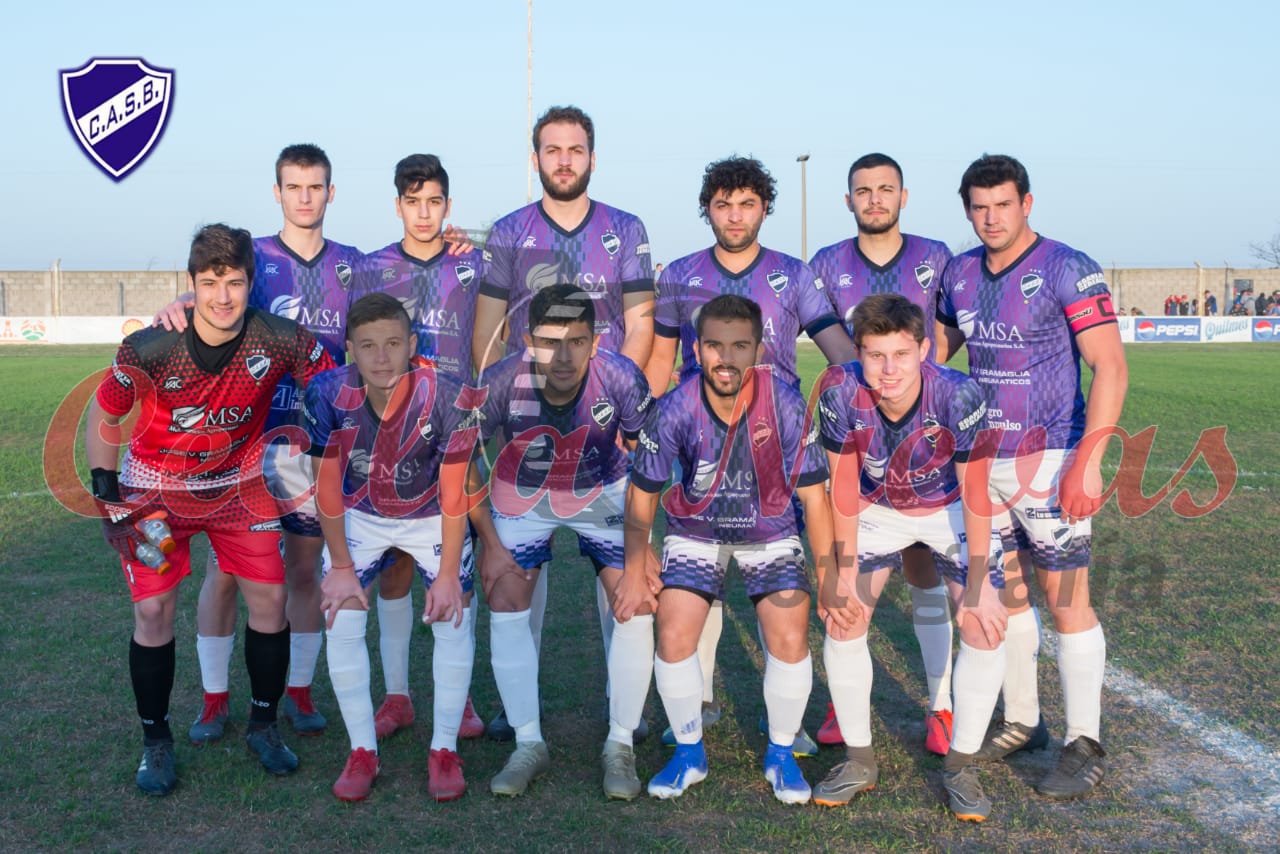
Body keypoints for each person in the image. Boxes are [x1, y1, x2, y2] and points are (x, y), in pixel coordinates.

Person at [85, 223, 334, 795]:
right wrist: (107, 495)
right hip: (154, 491)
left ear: (251, 283)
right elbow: (106, 411)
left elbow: (336, 382)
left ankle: (264, 727)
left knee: (270, 601)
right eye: (210, 282)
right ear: (191, 283)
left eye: (235, 282)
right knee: (153, 612)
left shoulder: (279, 339)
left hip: (238, 487)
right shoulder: (151, 345)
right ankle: (156, 742)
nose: (223, 296)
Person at [645, 156, 856, 750]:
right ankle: (699, 702)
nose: (735, 216)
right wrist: (643, 422)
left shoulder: (793, 273)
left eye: (747, 204)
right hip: (699, 442)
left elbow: (840, 353)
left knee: (777, 583)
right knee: (699, 575)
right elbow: (661, 359)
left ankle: (782, 716)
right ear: (707, 210)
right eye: (723, 205)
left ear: (765, 208)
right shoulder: (680, 274)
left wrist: (868, 400)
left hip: (773, 448)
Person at [935, 154, 1127, 800]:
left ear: (1027, 204)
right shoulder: (960, 273)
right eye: (980, 207)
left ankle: (1085, 743)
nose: (991, 218)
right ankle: (1023, 720)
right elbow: (936, 354)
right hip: (979, 460)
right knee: (1006, 595)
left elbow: (1110, 367)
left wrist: (1088, 462)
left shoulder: (1068, 267)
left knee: (1066, 598)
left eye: (1003, 204)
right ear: (967, 210)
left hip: (1050, 457)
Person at [155, 144, 362, 741]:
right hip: (243, 444)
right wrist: (182, 301)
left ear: (330, 192)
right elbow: (214, 298)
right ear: (277, 193)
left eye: (315, 186)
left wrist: (453, 240)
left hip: (311, 446)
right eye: (293, 186)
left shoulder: (353, 263)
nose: (305, 197)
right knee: (224, 573)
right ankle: (214, 699)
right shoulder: (253, 257)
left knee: (303, 571)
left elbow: (400, 282)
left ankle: (297, 691)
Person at [470, 106, 657, 741]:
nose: (564, 160)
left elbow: (640, 322)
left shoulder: (625, 227)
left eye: (575, 149)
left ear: (592, 158)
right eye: (552, 150)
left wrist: (611, 402)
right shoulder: (509, 230)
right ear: (536, 160)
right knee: (520, 569)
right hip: (527, 427)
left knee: (621, 573)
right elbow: (489, 329)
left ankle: (621, 700)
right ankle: (516, 702)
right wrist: (505, 410)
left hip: (602, 426)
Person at [618, 294, 834, 805]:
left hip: (769, 531)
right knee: (673, 632)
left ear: (758, 350)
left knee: (789, 634)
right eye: (715, 345)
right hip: (697, 531)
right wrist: (633, 566)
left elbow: (814, 498)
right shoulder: (675, 406)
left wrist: (828, 577)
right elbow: (642, 494)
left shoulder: (785, 403)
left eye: (740, 346)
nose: (726, 358)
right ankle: (689, 753)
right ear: (697, 349)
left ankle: (781, 752)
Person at [812, 293, 1007, 820]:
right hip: (877, 506)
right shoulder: (839, 390)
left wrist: (981, 584)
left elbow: (976, 491)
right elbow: (842, 486)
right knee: (844, 618)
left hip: (949, 508)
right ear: (858, 352)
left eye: (901, 354)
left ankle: (960, 768)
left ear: (923, 350)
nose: (889, 369)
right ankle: (859, 760)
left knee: (984, 624)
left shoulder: (958, 394)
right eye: (875, 355)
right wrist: (842, 572)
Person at [472, 284, 656, 799]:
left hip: (602, 487)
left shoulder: (621, 376)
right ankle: (528, 743)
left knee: (637, 600)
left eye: (576, 341)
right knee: (506, 592)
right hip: (524, 493)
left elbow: (650, 463)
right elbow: (461, 462)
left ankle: (620, 744)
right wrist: (490, 544)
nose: (563, 356)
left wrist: (642, 547)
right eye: (550, 342)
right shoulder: (500, 380)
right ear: (527, 340)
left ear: (595, 342)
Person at [807, 152, 958, 753]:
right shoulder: (826, 263)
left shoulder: (936, 256)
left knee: (923, 565)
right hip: (861, 432)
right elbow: (828, 339)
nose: (874, 199)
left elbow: (950, 329)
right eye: (863, 190)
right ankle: (845, 704)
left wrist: (920, 380)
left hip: (926, 436)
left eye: (885, 189)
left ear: (903, 196)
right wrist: (867, 385)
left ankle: (941, 705)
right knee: (850, 582)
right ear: (848, 200)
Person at [305, 294, 478, 802]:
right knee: (340, 616)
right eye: (368, 346)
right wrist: (340, 566)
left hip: (431, 515)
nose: (381, 357)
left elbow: (455, 493)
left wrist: (448, 574)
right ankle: (362, 750)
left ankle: (444, 749)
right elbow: (326, 485)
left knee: (453, 615)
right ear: (350, 350)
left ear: (413, 345)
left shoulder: (448, 397)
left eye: (393, 344)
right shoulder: (326, 392)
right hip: (361, 513)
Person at [347, 153, 487, 742]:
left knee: (456, 564)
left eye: (434, 202)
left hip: (456, 428)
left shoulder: (472, 263)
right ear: (397, 206)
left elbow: (494, 334)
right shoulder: (372, 267)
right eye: (413, 202)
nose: (424, 213)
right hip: (391, 434)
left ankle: (462, 698)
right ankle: (398, 695)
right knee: (396, 568)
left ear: (448, 206)